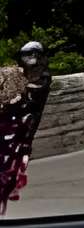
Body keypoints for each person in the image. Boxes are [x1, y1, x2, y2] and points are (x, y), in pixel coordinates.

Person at [0, 40, 48, 216]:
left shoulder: (42, 77)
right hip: (13, 123)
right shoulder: (24, 74)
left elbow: (27, 100)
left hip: (25, 124)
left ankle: (10, 187)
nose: (28, 58)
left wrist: (11, 100)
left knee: (18, 154)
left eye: (30, 54)